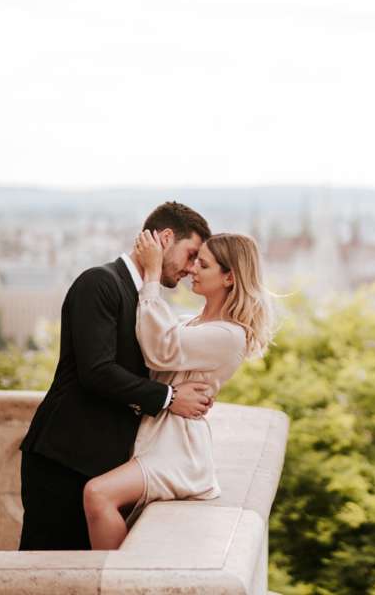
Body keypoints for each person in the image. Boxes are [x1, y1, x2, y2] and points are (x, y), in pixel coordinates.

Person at [18, 201, 216, 551]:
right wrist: (170, 398)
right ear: (165, 238)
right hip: (62, 458)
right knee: (47, 571)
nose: (190, 269)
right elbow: (96, 371)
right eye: (190, 255)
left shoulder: (149, 298)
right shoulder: (100, 282)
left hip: (101, 463)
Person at [82, 230, 274, 549]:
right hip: (157, 434)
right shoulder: (190, 322)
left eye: (205, 265)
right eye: (196, 260)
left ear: (229, 278)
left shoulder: (229, 335)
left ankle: (117, 583)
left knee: (98, 494)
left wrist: (153, 275)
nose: (193, 270)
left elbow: (160, 348)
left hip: (177, 449)